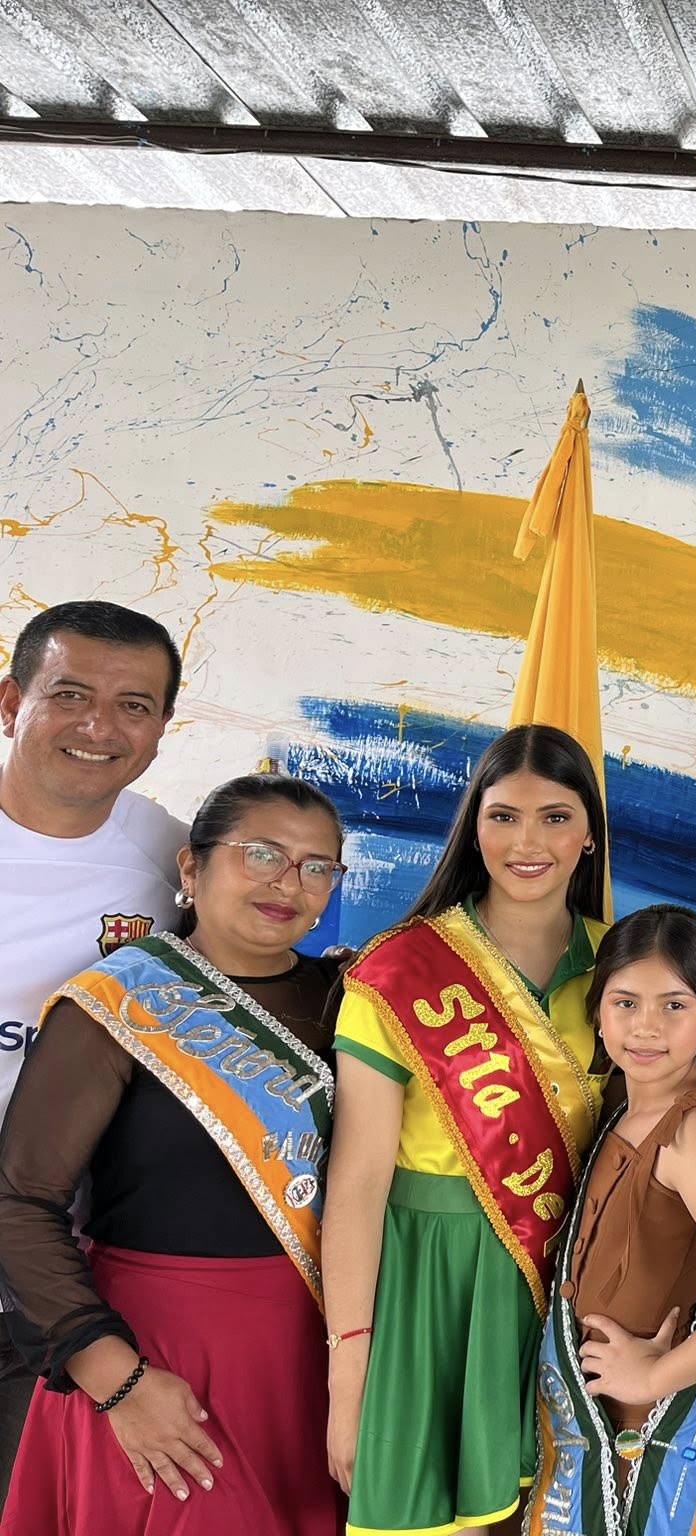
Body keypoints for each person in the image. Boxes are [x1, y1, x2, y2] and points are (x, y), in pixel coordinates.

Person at [0, 773, 349, 1534]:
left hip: (320, 1361)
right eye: (263, 854)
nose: (289, 882)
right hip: (156, 1366)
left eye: (317, 866)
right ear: (192, 867)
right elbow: (19, 1201)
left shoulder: (351, 1002)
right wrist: (117, 1381)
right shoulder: (114, 1002)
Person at [322, 724, 611, 1536]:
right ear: (473, 827)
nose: (528, 843)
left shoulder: (625, 965)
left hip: (569, 1285)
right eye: (503, 816)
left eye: (556, 817)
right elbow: (359, 1184)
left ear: (590, 834)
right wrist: (350, 1365)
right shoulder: (397, 969)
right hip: (429, 1290)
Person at [0, 600, 188, 1511]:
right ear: (11, 702)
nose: (99, 727)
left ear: (161, 727)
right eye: (70, 695)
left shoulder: (171, 855)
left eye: (133, 705)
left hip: (53, 1289)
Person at [530, 904, 696, 1535]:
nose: (646, 1027)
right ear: (597, 1011)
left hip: (648, 1429)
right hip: (591, 1418)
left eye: (675, 1005)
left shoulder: (691, 1132)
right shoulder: (625, 1105)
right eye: (625, 1002)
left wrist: (653, 1375)